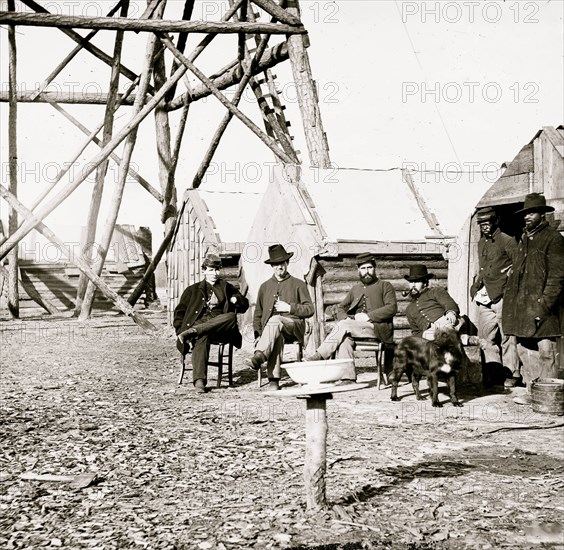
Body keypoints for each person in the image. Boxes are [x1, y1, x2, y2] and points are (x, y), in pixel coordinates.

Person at [502, 193, 564, 406]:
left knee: (546, 352)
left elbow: (557, 277)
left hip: (542, 309)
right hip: (522, 308)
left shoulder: (554, 239)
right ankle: (531, 393)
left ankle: (548, 397)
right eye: (526, 213)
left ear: (543, 215)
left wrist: (544, 305)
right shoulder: (523, 240)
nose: (528, 217)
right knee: (525, 351)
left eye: (532, 212)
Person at [305, 253, 397, 382]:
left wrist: (368, 316)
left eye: (370, 268)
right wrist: (346, 319)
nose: (367, 272)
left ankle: (320, 355)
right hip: (356, 329)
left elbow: (392, 308)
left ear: (375, 268)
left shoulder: (385, 286)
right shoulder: (355, 289)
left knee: (343, 326)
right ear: (358, 270)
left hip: (377, 328)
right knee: (344, 339)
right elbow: (341, 307)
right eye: (363, 268)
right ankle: (348, 378)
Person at [173, 254, 249, 393]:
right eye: (211, 270)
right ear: (204, 270)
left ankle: (193, 331)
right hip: (202, 328)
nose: (215, 273)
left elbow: (244, 305)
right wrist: (179, 331)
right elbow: (179, 314)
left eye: (217, 270)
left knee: (231, 317)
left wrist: (236, 299)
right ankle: (199, 381)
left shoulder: (226, 287)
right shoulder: (192, 290)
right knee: (202, 335)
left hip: (221, 330)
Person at [249, 244, 314, 390]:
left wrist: (290, 307)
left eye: (282, 263)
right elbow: (258, 314)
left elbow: (310, 309)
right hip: (273, 331)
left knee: (275, 320)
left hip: (294, 327)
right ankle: (274, 380)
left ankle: (259, 356)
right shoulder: (265, 287)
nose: (279, 267)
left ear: (287, 263)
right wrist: (259, 334)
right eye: (276, 264)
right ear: (271, 266)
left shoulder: (298, 284)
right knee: (274, 331)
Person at [470, 207, 519, 387]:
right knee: (485, 337)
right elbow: (481, 268)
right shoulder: (481, 243)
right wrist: (475, 286)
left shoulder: (508, 241)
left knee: (508, 336)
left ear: (495, 222)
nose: (484, 226)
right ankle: (494, 372)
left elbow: (517, 267)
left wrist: (509, 284)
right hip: (485, 298)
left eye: (487, 222)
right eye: (481, 223)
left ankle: (512, 374)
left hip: (503, 295)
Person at [404, 264, 471, 342]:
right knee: (428, 337)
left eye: (417, 282)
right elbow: (415, 332)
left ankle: (457, 338)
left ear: (425, 283)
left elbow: (449, 303)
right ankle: (464, 339)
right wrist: (422, 336)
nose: (413, 285)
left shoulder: (435, 291)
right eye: (411, 282)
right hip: (430, 332)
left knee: (444, 330)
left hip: (445, 322)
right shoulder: (409, 309)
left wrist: (450, 312)